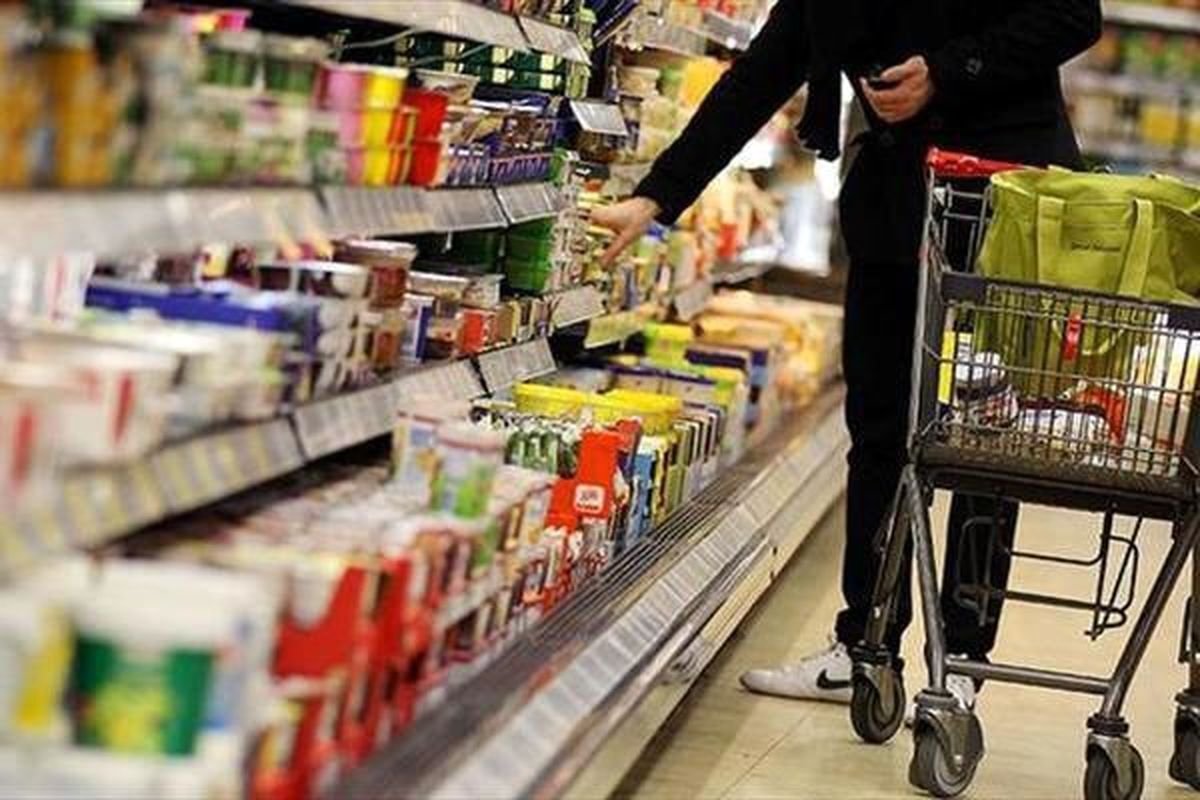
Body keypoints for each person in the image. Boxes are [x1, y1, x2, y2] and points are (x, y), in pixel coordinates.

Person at [593, 0, 1102, 709]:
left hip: (1004, 205)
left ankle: (963, 661)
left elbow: (1073, 14)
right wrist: (655, 198)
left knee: (987, 441)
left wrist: (945, 73)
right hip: (896, 203)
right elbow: (762, 73)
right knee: (879, 430)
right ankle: (865, 647)